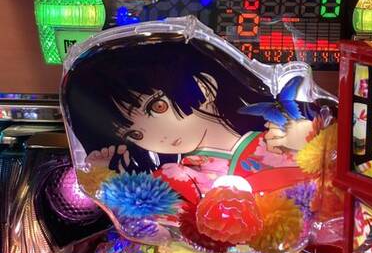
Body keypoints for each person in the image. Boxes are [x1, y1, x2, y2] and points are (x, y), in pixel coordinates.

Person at [63, 35, 332, 204]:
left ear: (205, 86)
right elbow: (148, 217)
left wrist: (313, 138)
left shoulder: (275, 134)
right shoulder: (176, 177)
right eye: (135, 134)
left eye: (157, 106)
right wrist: (102, 179)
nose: (158, 136)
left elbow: (338, 161)